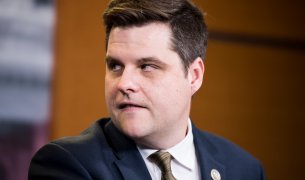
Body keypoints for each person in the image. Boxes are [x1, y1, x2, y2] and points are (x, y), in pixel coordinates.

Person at [29, 0, 265, 179]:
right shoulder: (66, 163)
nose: (124, 83)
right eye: (115, 66)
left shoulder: (244, 169)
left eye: (147, 66)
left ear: (194, 76)